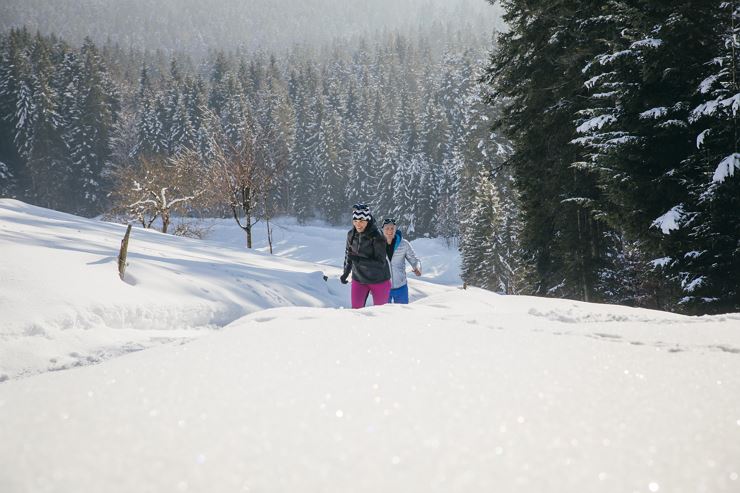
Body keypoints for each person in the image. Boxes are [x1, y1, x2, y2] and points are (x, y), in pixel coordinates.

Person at [340, 204, 392, 309]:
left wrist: (359, 260)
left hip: (379, 280)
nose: (358, 225)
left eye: (361, 221)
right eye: (355, 221)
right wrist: (346, 272)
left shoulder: (377, 236)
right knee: (356, 312)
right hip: (358, 279)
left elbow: (380, 262)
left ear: (367, 221)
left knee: (381, 314)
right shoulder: (351, 235)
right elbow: (348, 255)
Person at [382, 218, 422, 304]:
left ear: (395, 229)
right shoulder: (376, 244)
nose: (390, 231)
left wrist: (417, 268)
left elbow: (414, 259)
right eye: (387, 228)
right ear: (383, 230)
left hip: (401, 287)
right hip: (383, 287)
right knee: (382, 315)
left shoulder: (404, 244)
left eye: (392, 228)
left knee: (402, 315)